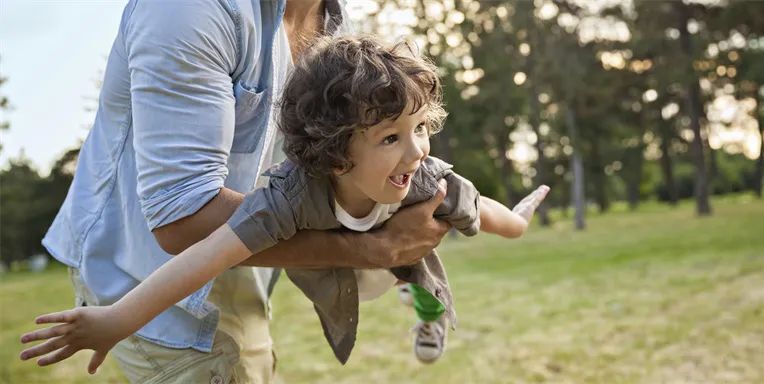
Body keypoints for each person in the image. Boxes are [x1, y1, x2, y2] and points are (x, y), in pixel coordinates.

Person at [21, 36, 550, 373]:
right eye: (391, 138)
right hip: (343, 268)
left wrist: (520, 223)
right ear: (338, 152)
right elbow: (204, 256)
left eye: (420, 129)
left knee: (419, 270)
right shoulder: (288, 197)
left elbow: (482, 209)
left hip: (398, 259)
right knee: (376, 274)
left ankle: (426, 307)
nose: (417, 150)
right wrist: (116, 319)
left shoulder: (425, 179)